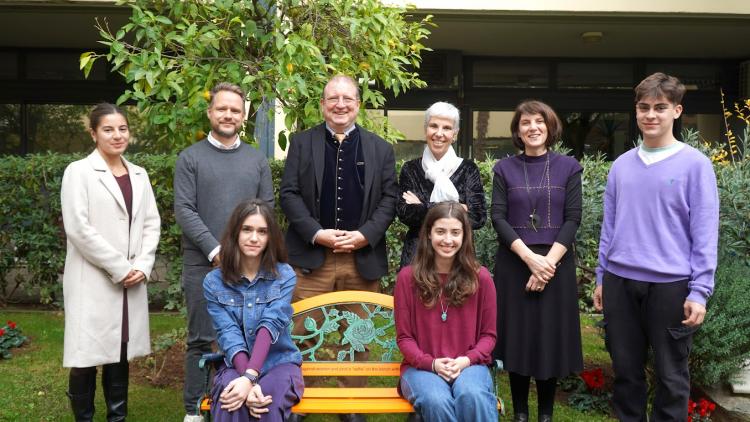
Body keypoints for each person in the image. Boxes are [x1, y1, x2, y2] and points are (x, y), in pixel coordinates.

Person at [593, 73, 719, 421]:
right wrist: (602, 276)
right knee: (626, 375)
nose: (651, 115)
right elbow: (610, 227)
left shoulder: (696, 165)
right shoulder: (620, 166)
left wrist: (700, 291)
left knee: (671, 378)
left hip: (671, 286)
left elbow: (705, 232)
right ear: (636, 111)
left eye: (660, 108)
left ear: (676, 111)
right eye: (644, 107)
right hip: (620, 282)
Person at [279, 74, 397, 422]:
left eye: (347, 98)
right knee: (301, 332)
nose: (340, 105)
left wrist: (365, 235)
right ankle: (300, 398)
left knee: (357, 335)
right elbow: (289, 194)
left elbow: (389, 200)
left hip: (361, 259)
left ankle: (351, 405)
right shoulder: (302, 143)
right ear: (323, 105)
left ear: (358, 104)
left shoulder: (380, 148)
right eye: (333, 99)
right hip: (312, 258)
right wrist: (317, 233)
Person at [174, 82, 275, 422]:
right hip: (203, 264)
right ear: (210, 112)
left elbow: (267, 210)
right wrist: (217, 250)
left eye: (235, 110)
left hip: (250, 267)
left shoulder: (257, 160)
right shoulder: (190, 158)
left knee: (246, 335)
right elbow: (185, 210)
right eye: (222, 108)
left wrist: (248, 254)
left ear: (243, 116)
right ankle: (194, 408)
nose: (228, 114)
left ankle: (234, 398)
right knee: (201, 338)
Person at [61, 103, 161, 421]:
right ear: (93, 133)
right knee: (86, 355)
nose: (117, 135)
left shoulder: (139, 175)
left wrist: (142, 267)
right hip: (93, 279)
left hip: (131, 281)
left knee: (120, 353)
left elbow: (151, 224)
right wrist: (120, 268)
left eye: (122, 128)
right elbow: (78, 228)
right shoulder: (78, 172)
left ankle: (117, 417)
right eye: (108, 129)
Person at [491, 100, 583, 422]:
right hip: (516, 262)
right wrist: (531, 259)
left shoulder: (569, 167)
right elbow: (497, 218)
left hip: (555, 264)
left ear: (549, 126)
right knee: (518, 337)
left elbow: (573, 219)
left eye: (539, 122)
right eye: (525, 123)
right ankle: (520, 413)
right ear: (518, 130)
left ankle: (545, 414)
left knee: (548, 337)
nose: (532, 128)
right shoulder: (503, 169)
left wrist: (547, 265)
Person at [394, 202, 497, 422]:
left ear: (464, 236)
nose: (448, 240)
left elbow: (488, 337)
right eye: (440, 231)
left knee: (472, 395)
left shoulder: (482, 278)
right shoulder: (407, 278)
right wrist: (431, 363)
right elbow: (404, 338)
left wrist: (465, 361)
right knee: (436, 400)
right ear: (428, 234)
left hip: (470, 366)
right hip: (420, 368)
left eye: (455, 232)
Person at [203, 199, 303, 422]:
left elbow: (269, 325)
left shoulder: (284, 275)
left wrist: (250, 378)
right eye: (247, 229)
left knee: (264, 402)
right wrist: (246, 379)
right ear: (235, 233)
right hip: (234, 362)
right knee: (231, 400)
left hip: (279, 362)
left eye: (262, 231)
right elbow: (228, 335)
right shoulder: (214, 282)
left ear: (270, 238)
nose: (254, 238)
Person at [396, 101, 486, 267]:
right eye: (433, 126)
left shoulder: (468, 169)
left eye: (446, 128)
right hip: (417, 257)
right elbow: (405, 214)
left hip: (459, 259)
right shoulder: (410, 169)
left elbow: (478, 217)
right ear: (425, 130)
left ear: (455, 134)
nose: (439, 133)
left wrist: (423, 206)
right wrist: (457, 207)